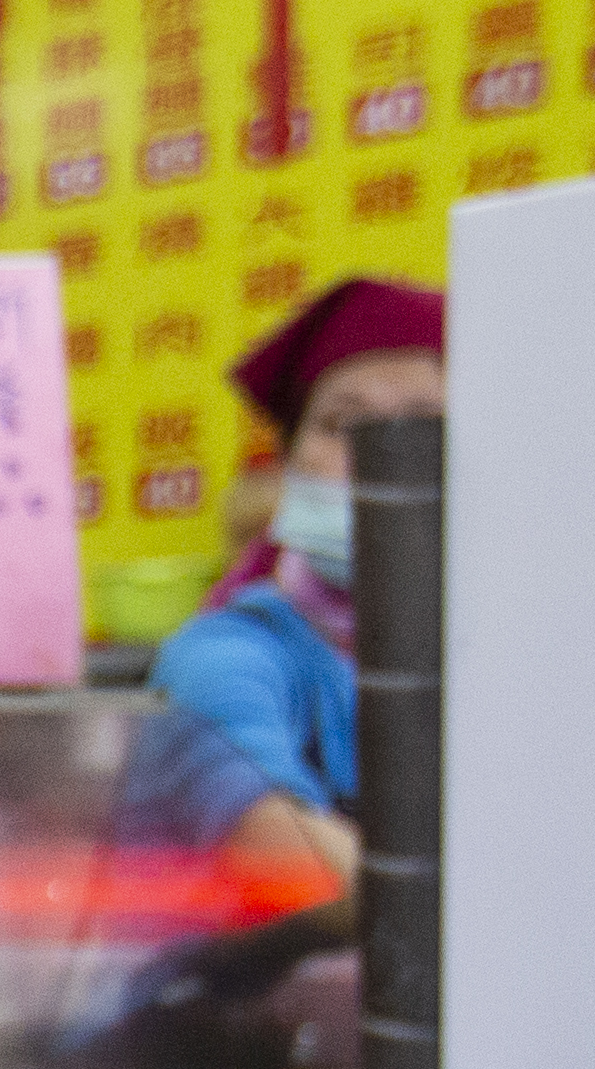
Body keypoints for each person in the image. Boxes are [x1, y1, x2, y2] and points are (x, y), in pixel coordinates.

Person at [131, 274, 444, 903]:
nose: (378, 459)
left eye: (423, 427)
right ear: (289, 464)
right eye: (341, 426)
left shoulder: (510, 660)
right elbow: (296, 863)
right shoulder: (226, 658)